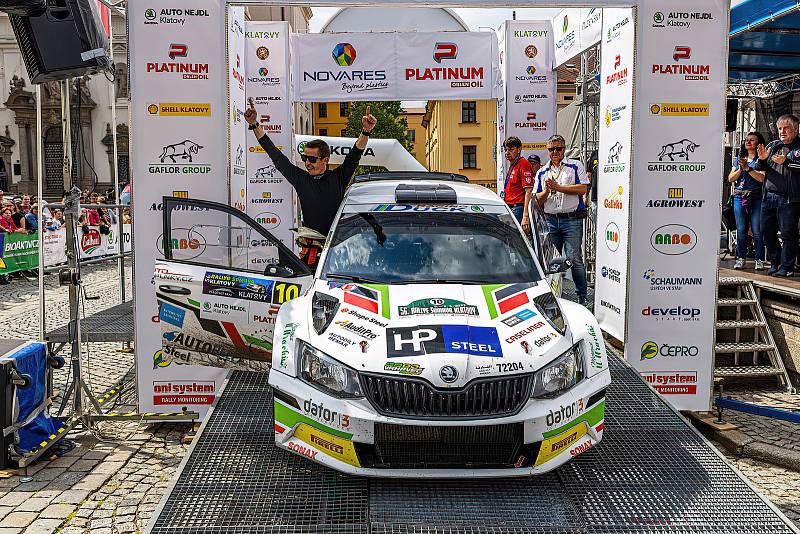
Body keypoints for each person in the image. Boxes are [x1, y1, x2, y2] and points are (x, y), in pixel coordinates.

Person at [244, 101, 376, 238]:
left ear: (325, 160)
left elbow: (355, 154)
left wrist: (366, 131)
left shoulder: (339, 177)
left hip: (337, 246)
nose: (307, 163)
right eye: (304, 158)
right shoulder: (300, 179)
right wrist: (254, 124)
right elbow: (275, 155)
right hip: (310, 248)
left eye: (312, 159)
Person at [534, 134, 590, 305]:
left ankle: (582, 296)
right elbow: (537, 199)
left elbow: (583, 189)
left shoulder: (575, 165)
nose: (555, 152)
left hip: (571, 219)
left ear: (564, 149)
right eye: (551, 149)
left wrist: (559, 187)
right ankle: (551, 296)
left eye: (558, 148)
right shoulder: (542, 171)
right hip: (550, 220)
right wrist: (547, 191)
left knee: (574, 258)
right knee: (551, 261)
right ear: (547, 151)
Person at [756, 114, 800, 277]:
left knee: (788, 233)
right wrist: (761, 160)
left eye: (786, 128)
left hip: (789, 199)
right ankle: (776, 263)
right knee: (765, 231)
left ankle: (787, 267)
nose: (782, 131)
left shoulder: (798, 147)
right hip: (768, 197)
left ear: (795, 129)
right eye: (780, 128)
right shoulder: (774, 145)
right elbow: (762, 167)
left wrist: (786, 162)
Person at [728, 132, 766, 270]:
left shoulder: (761, 159)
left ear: (758, 143)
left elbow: (761, 178)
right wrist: (740, 169)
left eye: (752, 140)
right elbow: (730, 178)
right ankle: (741, 258)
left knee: (757, 230)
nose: (748, 142)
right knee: (741, 229)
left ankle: (760, 259)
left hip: (756, 197)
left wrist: (747, 168)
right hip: (739, 197)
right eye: (746, 140)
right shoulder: (739, 158)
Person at [502, 137, 535, 231]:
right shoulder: (513, 165)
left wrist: (525, 216)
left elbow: (528, 192)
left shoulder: (523, 164)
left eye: (511, 149)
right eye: (506, 150)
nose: (507, 153)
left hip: (518, 208)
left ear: (519, 149)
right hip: (510, 207)